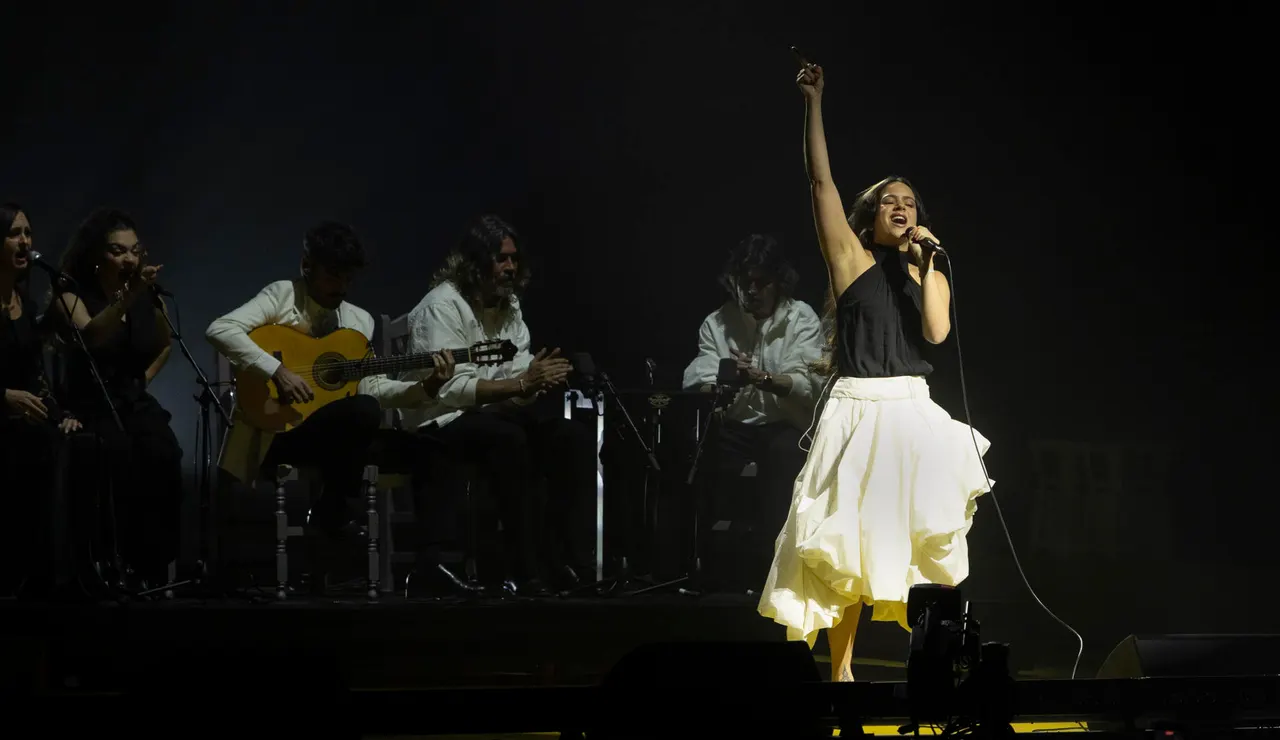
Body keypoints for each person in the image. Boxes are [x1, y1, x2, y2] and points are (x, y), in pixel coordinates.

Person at [757, 61, 993, 682]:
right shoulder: (852, 260)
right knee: (848, 548)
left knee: (925, 545)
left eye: (910, 202)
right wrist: (813, 102)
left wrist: (931, 263)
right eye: (890, 200)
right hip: (859, 409)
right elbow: (821, 183)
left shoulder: (923, 270)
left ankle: (935, 665)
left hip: (912, 409)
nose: (901, 206)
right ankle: (839, 674)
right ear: (871, 214)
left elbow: (938, 333)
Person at [205, 221, 454, 589]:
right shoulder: (282, 295)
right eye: (333, 275)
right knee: (362, 415)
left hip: (337, 437)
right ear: (308, 266)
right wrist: (278, 371)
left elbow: (371, 387)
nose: (341, 287)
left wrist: (426, 387)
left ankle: (424, 565)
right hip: (281, 429)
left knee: (428, 444)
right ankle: (332, 520)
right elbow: (220, 329)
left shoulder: (359, 321)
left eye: (348, 278)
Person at [402, 214, 596, 598]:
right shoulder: (441, 306)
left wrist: (535, 380)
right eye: (501, 259)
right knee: (508, 439)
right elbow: (452, 390)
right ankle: (523, 568)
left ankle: (565, 559)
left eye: (514, 259)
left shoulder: (511, 307)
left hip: (495, 415)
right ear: (475, 263)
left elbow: (516, 374)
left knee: (569, 437)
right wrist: (521, 383)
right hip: (442, 417)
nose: (511, 268)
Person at [681, 233, 824, 590]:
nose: (753, 290)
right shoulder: (718, 322)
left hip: (784, 425)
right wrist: (723, 379)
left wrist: (764, 378)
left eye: (762, 282)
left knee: (786, 456)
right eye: (746, 283)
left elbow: (809, 383)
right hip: (736, 427)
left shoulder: (800, 318)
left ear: (779, 282)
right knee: (703, 460)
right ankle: (712, 567)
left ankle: (776, 568)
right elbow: (696, 373)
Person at [50, 208, 182, 589]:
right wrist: (126, 298)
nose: (129, 259)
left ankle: (154, 565)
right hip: (89, 400)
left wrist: (143, 380)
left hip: (131, 398)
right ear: (96, 256)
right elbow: (91, 336)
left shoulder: (145, 298)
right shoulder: (70, 295)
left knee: (164, 453)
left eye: (135, 250)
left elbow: (164, 343)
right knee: (121, 457)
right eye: (118, 251)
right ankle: (114, 563)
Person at [0, 203, 84, 597]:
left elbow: (37, 378)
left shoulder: (26, 306)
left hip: (25, 420)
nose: (25, 241)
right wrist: (5, 396)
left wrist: (61, 413)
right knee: (38, 446)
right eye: (15, 233)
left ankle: (69, 574)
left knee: (81, 441)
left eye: (28, 233)